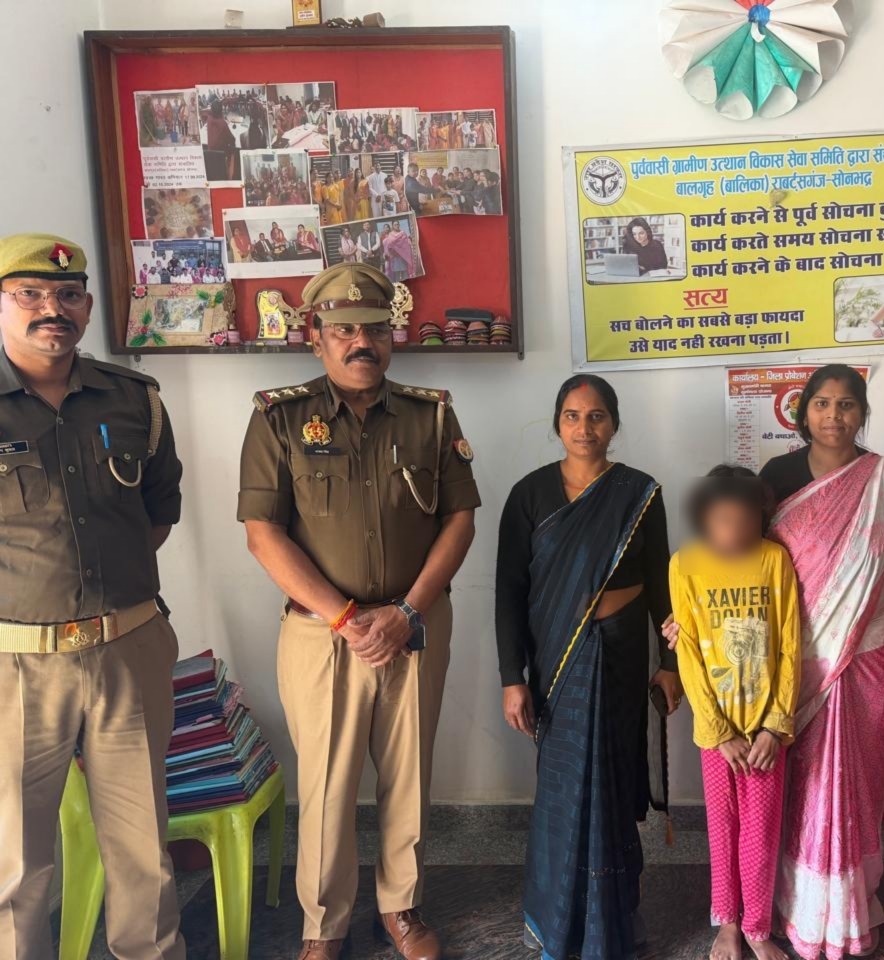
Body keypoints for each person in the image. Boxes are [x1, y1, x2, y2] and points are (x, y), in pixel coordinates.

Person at [237, 262, 480, 960]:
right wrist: (346, 619)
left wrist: (406, 611)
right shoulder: (279, 418)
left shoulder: (431, 415)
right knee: (327, 784)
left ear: (391, 336)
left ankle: (400, 908)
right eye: (343, 329)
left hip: (415, 625)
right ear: (317, 337)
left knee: (410, 775)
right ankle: (324, 926)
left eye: (373, 328)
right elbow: (263, 534)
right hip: (323, 635)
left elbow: (460, 520)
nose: (360, 342)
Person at [0, 233, 186, 960]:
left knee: (143, 854)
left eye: (69, 294)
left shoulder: (134, 399)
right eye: (30, 294)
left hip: (127, 652)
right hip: (17, 667)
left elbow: (158, 514)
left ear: (86, 306)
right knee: (16, 862)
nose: (54, 308)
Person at [495, 374, 682, 960]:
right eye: (572, 416)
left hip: (623, 652)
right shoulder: (529, 495)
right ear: (558, 423)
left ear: (614, 424)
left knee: (614, 775)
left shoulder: (640, 492)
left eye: (596, 416)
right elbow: (509, 592)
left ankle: (617, 913)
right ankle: (561, 918)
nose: (584, 428)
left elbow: (661, 581)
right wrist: (512, 678)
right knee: (565, 783)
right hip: (557, 658)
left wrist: (670, 662)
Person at [750, 364, 884, 958]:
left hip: (873, 649)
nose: (834, 416)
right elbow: (744, 555)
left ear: (863, 412)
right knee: (801, 780)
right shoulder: (776, 477)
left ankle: (853, 900)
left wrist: (857, 619)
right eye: (822, 404)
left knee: (860, 777)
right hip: (799, 654)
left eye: (846, 404)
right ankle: (797, 900)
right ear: (803, 413)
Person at [668, 465, 800, 960]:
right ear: (704, 518)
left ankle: (757, 926)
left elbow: (790, 645)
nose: (733, 532)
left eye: (744, 521)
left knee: (761, 832)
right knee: (722, 830)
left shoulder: (774, 560)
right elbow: (687, 652)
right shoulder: (685, 564)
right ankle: (726, 923)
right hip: (716, 732)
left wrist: (775, 726)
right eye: (722, 521)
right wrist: (718, 730)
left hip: (766, 729)